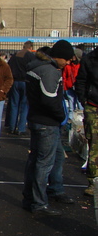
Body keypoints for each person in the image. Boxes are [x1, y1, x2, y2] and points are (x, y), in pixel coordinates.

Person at [22, 39, 76, 216]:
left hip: (37, 120)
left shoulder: (36, 67)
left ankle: (32, 198)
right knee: (43, 164)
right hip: (47, 123)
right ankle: (38, 203)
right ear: (58, 56)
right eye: (67, 59)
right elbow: (50, 100)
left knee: (38, 160)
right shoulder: (50, 71)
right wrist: (61, 116)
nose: (68, 63)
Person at [74, 46, 98, 197]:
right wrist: (84, 101)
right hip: (93, 107)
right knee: (95, 145)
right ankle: (93, 181)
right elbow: (81, 82)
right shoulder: (90, 59)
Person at [5, 40, 35, 136]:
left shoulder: (15, 56)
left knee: (14, 105)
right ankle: (21, 128)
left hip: (15, 81)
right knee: (24, 106)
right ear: (31, 47)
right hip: (25, 82)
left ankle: (12, 127)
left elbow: (8, 67)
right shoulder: (31, 56)